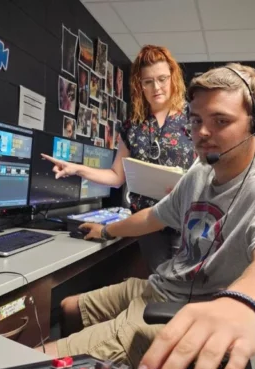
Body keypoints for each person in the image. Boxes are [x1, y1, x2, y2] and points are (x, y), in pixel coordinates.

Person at [36, 62, 255, 369]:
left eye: (220, 121)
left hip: (193, 312)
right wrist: (106, 229)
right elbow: (154, 216)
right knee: (68, 308)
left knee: (33, 365)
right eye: (196, 121)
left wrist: (243, 303)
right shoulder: (200, 171)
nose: (203, 132)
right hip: (160, 289)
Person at [42, 45, 195, 273]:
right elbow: (115, 177)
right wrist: (76, 169)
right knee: (161, 283)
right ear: (139, 85)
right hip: (148, 226)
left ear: (173, 78)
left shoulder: (193, 118)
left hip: (187, 221)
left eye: (162, 79)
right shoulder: (132, 126)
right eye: (148, 81)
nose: (156, 87)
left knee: (187, 285)